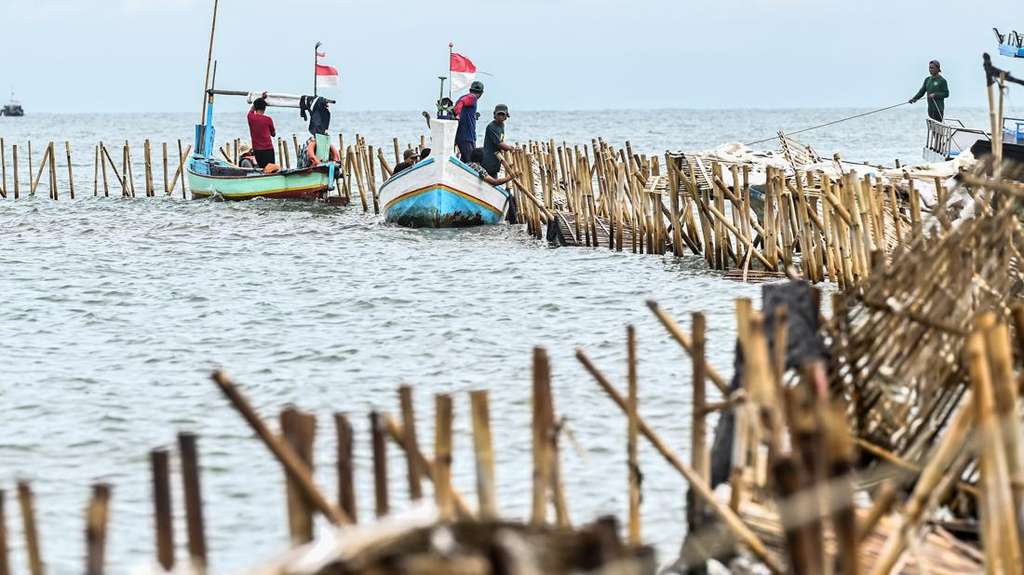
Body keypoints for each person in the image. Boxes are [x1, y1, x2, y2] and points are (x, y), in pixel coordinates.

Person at [481, 104, 515, 178]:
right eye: (499, 114)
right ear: (494, 115)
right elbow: (498, 143)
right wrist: (510, 148)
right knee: (490, 177)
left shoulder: (502, 125)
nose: (500, 117)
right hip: (489, 158)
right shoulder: (491, 127)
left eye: (503, 115)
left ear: (506, 116)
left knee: (494, 174)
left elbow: (500, 140)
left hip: (496, 158)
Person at [454, 81, 484, 161]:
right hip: (466, 137)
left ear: (470, 89)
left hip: (467, 136)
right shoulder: (472, 97)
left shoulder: (468, 97)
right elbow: (461, 102)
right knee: (471, 161)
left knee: (465, 160)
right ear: (481, 93)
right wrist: (458, 114)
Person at [247, 93, 277, 168]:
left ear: (255, 108)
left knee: (262, 169)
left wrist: (261, 98)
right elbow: (273, 134)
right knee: (271, 169)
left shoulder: (250, 117)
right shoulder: (268, 119)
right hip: (268, 149)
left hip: (257, 151)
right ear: (265, 108)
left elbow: (252, 108)